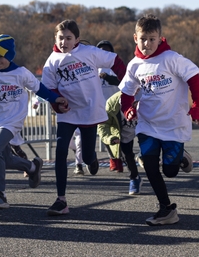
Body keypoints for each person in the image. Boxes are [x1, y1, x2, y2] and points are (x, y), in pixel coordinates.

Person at [0, 34, 68, 210]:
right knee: (4, 159)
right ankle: (32, 167)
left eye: (0, 56)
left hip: (12, 120)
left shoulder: (21, 73)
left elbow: (39, 88)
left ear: (10, 56)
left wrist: (56, 99)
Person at [119, 14, 199, 226]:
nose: (147, 43)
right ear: (135, 38)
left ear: (160, 38)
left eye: (151, 38)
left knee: (170, 171)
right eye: (143, 39)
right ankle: (166, 209)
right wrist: (128, 109)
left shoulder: (171, 59)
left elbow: (194, 79)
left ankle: (180, 156)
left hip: (173, 124)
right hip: (148, 125)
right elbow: (127, 93)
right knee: (149, 164)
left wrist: (198, 106)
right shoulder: (134, 65)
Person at [41, 19, 126, 216]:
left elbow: (116, 61)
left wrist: (127, 85)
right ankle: (61, 200)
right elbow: (48, 88)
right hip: (67, 113)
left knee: (87, 157)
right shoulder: (52, 60)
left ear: (77, 39)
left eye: (68, 38)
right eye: (60, 38)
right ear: (55, 38)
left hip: (90, 110)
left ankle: (92, 159)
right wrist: (57, 102)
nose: (64, 42)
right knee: (61, 150)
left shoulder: (89, 52)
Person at [98, 91, 141, 194]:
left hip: (144, 127)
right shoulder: (112, 102)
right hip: (125, 131)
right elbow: (103, 124)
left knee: (148, 155)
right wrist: (110, 137)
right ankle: (134, 178)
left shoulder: (148, 94)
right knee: (126, 155)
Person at [96, 40, 123, 172]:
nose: (103, 53)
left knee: (120, 133)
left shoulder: (114, 66)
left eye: (106, 50)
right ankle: (113, 159)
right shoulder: (93, 67)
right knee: (105, 134)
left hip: (116, 106)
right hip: (101, 107)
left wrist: (107, 77)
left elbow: (121, 81)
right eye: (100, 50)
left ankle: (121, 158)